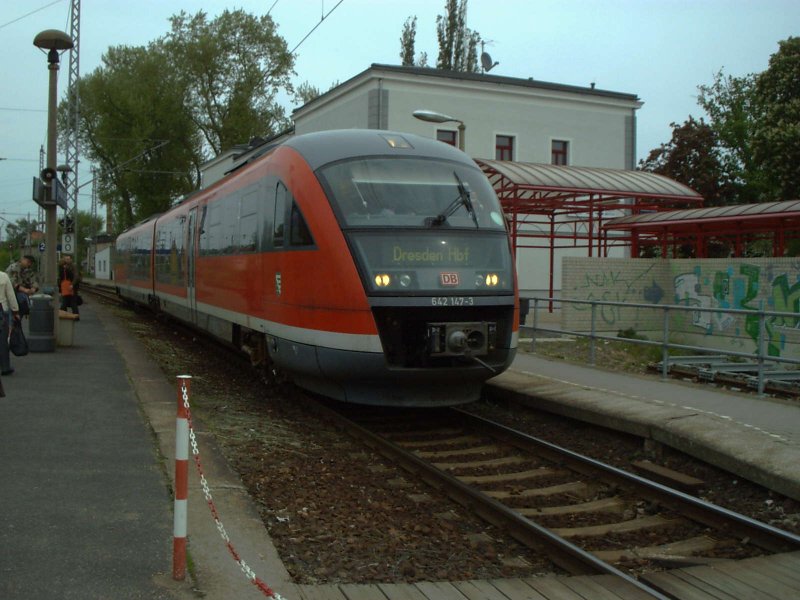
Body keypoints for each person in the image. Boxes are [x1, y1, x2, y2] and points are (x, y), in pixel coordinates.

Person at [0, 269, 21, 376]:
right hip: (1, 309)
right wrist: (15, 311)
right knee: (2, 340)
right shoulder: (3, 276)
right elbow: (10, 295)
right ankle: (5, 367)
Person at [57, 254, 80, 320]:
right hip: (65, 287)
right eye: (65, 259)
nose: (67, 260)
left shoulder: (73, 266)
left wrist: (72, 284)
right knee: (65, 302)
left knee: (72, 302)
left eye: (68, 259)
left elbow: (76, 276)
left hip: (72, 287)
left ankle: (75, 316)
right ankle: (64, 315)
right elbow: (61, 277)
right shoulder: (62, 267)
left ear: (71, 259)